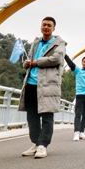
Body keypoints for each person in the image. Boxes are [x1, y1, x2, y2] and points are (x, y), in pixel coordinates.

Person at [19, 17, 66, 159]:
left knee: (46, 116)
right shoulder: (36, 42)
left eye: (49, 25)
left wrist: (36, 62)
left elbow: (57, 59)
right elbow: (31, 59)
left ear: (54, 28)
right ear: (41, 26)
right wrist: (27, 64)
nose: (46, 27)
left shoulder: (59, 43)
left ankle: (43, 145)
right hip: (31, 83)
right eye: (44, 25)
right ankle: (36, 143)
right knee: (32, 117)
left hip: (48, 84)